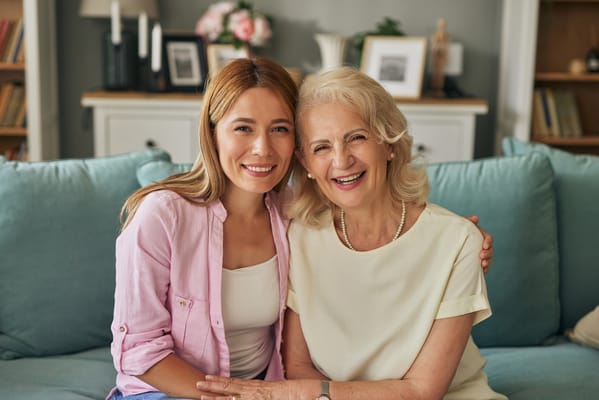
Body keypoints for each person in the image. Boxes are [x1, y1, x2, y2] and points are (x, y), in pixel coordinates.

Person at [196, 67, 506, 399]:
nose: (341, 160)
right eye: (321, 148)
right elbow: (297, 368)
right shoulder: (298, 236)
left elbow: (423, 390)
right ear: (307, 165)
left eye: (356, 137)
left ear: (388, 143)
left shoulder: (458, 242)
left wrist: (309, 394)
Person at [107, 57, 297, 399]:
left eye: (280, 128)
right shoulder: (162, 216)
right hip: (166, 391)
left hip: (262, 388)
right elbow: (139, 349)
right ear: (213, 133)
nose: (263, 148)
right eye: (243, 128)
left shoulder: (295, 215)